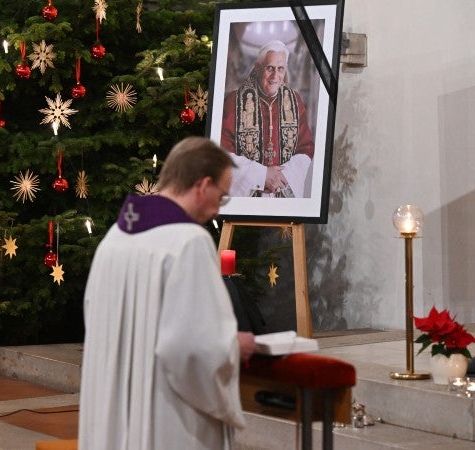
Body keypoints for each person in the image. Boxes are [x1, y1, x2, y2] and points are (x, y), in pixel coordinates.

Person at [79, 137, 256, 450]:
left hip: (112, 415)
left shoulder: (114, 238)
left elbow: (95, 319)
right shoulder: (189, 242)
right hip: (165, 421)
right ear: (203, 185)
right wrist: (231, 345)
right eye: (222, 196)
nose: (218, 209)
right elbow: (193, 348)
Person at [221, 40, 315, 198]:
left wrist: (283, 177)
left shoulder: (295, 101)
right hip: (248, 193)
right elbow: (222, 151)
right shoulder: (234, 101)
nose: (275, 76)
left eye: (280, 69)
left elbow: (305, 148)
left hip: (282, 190)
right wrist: (261, 175)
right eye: (270, 68)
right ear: (257, 68)